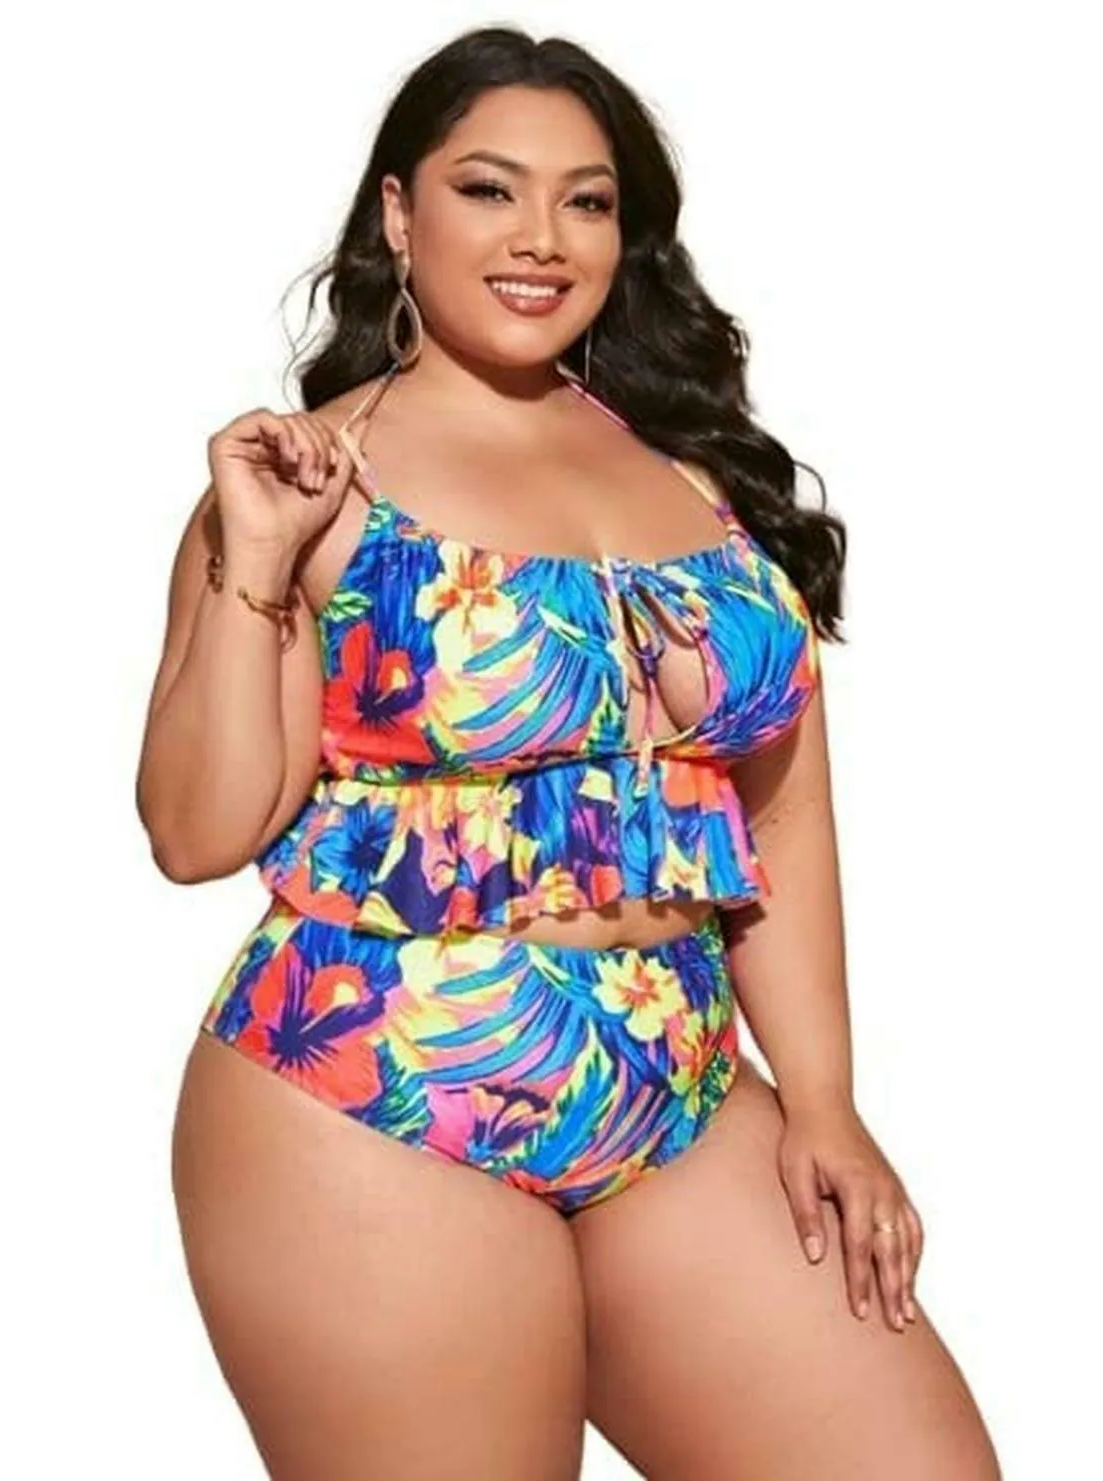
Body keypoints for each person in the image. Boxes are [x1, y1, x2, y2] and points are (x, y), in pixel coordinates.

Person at [136, 24, 1002, 1481]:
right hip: (377, 1085)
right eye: (488, 189)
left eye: (585, 201)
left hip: (678, 1079)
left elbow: (780, 814)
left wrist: (825, 1101)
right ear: (398, 215)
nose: (540, 237)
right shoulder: (312, 483)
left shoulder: (696, 474)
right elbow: (196, 832)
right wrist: (259, 568)